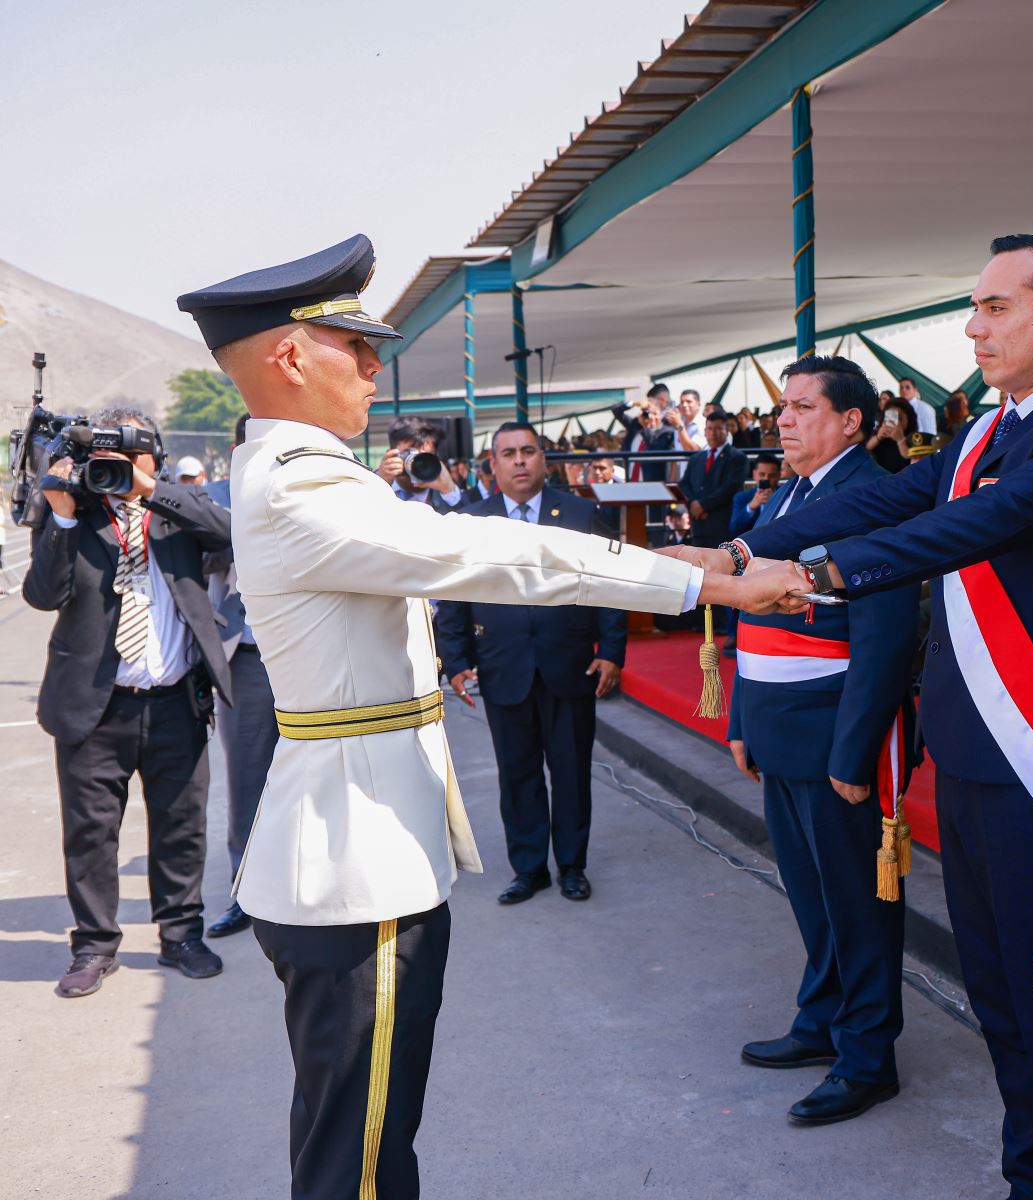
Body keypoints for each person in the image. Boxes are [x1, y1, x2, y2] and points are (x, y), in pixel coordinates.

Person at [175, 234, 803, 1200]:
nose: (379, 368)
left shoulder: (293, 469)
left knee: (368, 1136)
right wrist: (696, 579)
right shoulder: (302, 481)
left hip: (362, 857)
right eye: (357, 347)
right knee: (360, 1158)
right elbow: (490, 555)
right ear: (292, 356)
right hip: (354, 872)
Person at [691, 233, 1033, 1197]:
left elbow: (965, 526)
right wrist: (738, 549)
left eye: (994, 307)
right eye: (973, 308)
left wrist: (814, 577)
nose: (972, 328)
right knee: (1002, 1010)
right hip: (977, 755)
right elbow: (884, 499)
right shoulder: (987, 430)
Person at [727, 355, 919, 1125]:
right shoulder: (798, 494)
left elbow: (886, 637)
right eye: (783, 407)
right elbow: (754, 612)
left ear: (850, 421)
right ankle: (821, 1021)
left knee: (859, 904)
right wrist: (742, 719)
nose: (784, 419)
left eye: (803, 407)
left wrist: (854, 753)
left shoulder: (870, 496)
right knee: (812, 897)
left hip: (835, 730)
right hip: (779, 729)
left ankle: (869, 1056)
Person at [24, 406, 235, 997]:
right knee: (90, 832)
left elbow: (226, 534)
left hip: (176, 701)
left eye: (130, 457)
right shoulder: (74, 513)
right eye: (105, 459)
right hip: (95, 706)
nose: (115, 469)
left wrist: (151, 489)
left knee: (182, 826)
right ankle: (94, 946)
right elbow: (42, 595)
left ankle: (181, 935)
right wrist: (62, 521)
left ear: (155, 460)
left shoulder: (175, 516)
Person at [435, 421, 627, 906]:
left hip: (570, 665)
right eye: (508, 454)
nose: (519, 461)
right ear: (493, 465)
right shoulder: (472, 523)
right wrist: (455, 660)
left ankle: (571, 866)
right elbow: (453, 599)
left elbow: (610, 586)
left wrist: (611, 651)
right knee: (516, 774)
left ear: (544, 458)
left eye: (528, 451)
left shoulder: (581, 514)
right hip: (503, 668)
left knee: (570, 772)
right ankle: (528, 869)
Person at [201, 413, 279, 940]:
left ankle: (313, 889)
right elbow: (205, 557)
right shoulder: (212, 498)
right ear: (236, 449)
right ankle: (246, 893)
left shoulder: (310, 487)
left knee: (322, 776)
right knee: (248, 780)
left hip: (310, 654)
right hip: (246, 657)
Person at [681, 411, 750, 550]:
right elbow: (684, 484)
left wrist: (703, 505)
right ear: (705, 431)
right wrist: (693, 504)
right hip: (697, 525)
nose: (713, 433)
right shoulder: (696, 458)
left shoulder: (737, 457)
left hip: (721, 526)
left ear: (727, 430)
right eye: (710, 428)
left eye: (718, 429)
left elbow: (730, 488)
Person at [379, 416, 467, 511]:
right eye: (409, 453)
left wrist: (449, 490)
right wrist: (380, 484)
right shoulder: (373, 486)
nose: (418, 462)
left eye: (425, 456)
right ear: (390, 454)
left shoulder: (444, 494)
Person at [732, 454, 783, 536]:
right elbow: (734, 528)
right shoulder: (741, 497)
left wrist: (774, 502)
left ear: (779, 475)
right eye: (762, 474)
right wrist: (751, 507)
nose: (766, 478)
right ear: (754, 474)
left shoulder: (786, 495)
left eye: (772, 475)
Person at [867, 395, 918, 473]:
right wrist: (878, 437)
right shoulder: (880, 432)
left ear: (909, 420)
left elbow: (909, 457)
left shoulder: (913, 438)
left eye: (900, 418)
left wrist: (900, 440)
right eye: (890, 418)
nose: (895, 422)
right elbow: (867, 447)